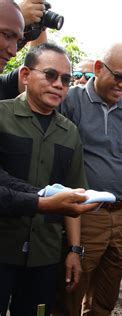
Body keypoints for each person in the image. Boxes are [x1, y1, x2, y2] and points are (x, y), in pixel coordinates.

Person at [59, 43, 122, 315]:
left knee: (105, 298)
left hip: (121, 216)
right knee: (70, 294)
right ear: (98, 68)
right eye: (118, 76)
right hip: (85, 215)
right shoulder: (71, 101)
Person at [0, 43, 87, 316]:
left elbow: (74, 196)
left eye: (65, 79)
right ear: (25, 75)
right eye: (50, 75)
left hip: (45, 253)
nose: (59, 84)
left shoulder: (70, 132)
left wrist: (74, 250)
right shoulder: (2, 116)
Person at [0, 0, 97, 218]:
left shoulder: (69, 131)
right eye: (7, 35)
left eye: (65, 79)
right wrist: (43, 203)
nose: (13, 51)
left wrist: (45, 196)